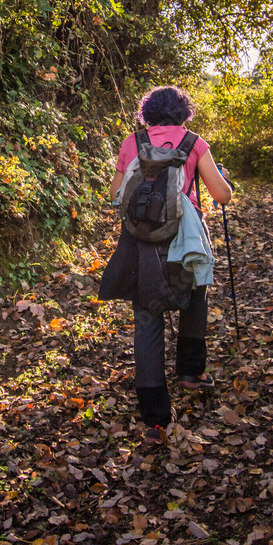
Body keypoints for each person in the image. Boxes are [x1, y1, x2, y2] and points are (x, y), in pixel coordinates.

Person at [100, 86, 233, 438]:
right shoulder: (194, 142)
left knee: (147, 317)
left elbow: (115, 195)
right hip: (184, 237)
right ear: (183, 113)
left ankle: (155, 414)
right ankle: (191, 372)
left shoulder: (133, 141)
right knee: (195, 295)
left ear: (147, 113)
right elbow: (222, 195)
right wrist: (223, 179)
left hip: (141, 239)